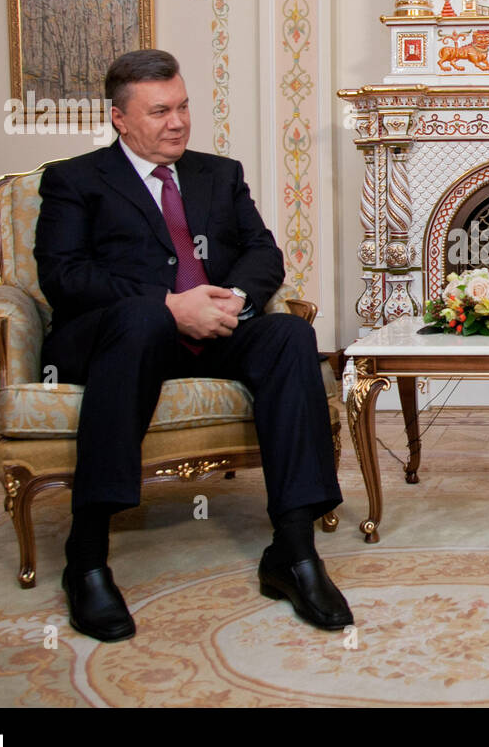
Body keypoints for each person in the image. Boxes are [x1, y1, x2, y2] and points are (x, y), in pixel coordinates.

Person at [34, 49, 350, 642]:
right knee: (144, 321)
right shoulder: (76, 181)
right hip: (118, 338)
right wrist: (168, 304)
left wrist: (230, 297)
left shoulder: (218, 174)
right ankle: (87, 559)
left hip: (212, 331)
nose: (177, 122)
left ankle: (293, 550)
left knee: (289, 334)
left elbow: (264, 253)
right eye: (159, 112)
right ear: (119, 119)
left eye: (182, 107)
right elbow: (65, 277)